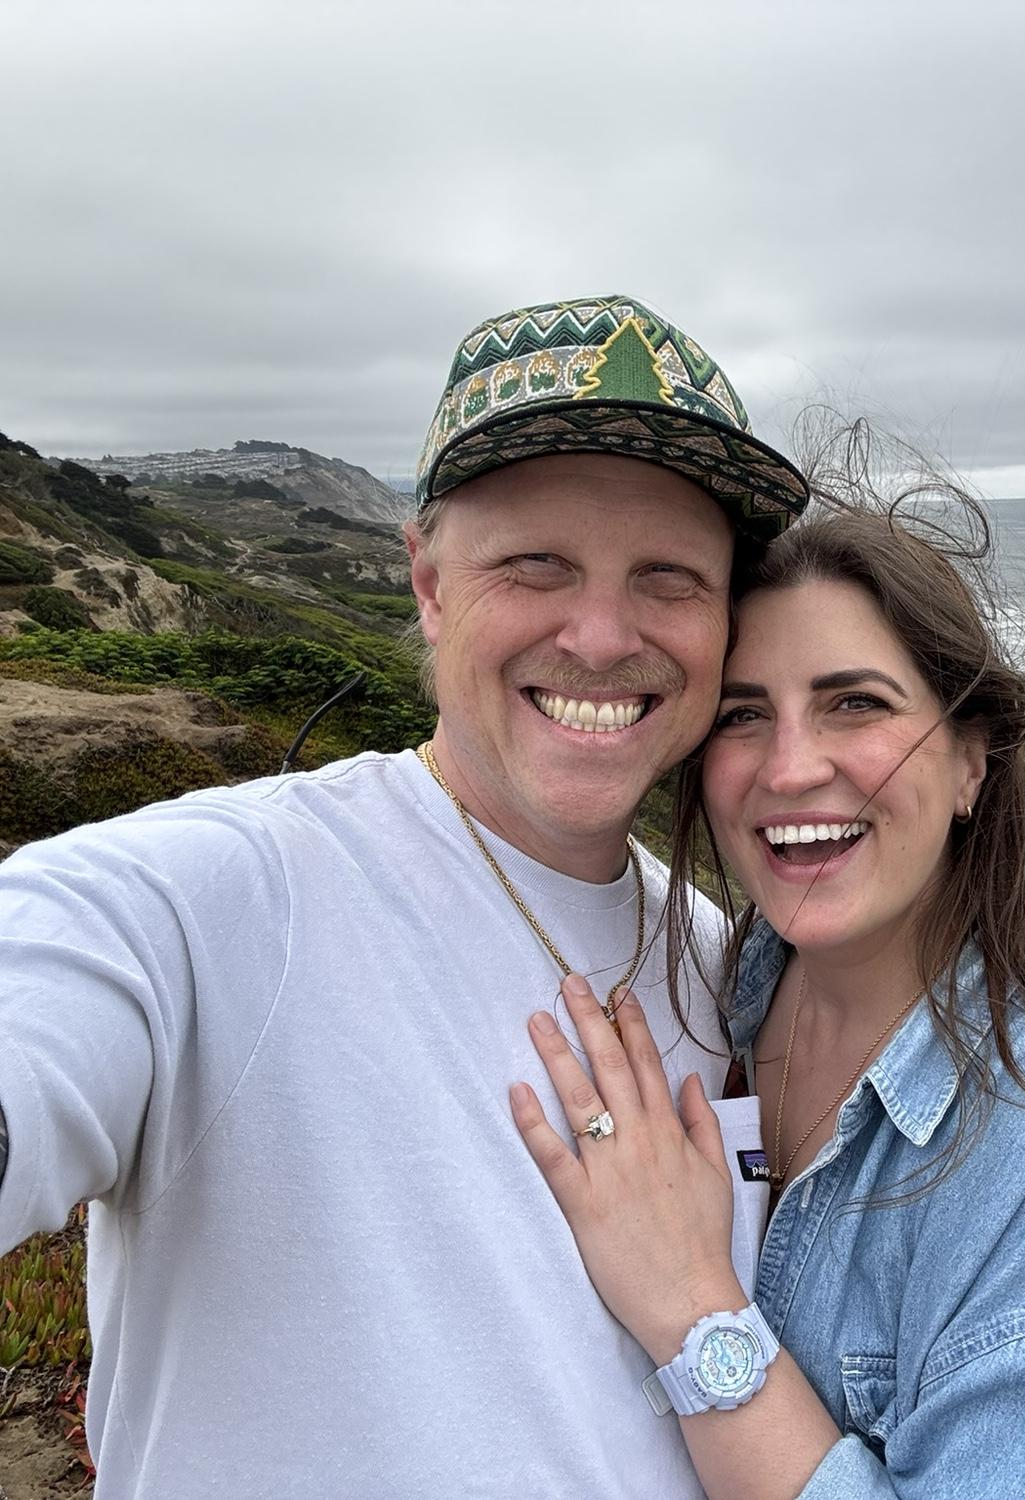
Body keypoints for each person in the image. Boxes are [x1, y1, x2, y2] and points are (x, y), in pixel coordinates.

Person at [0, 294, 807, 1498]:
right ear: (428, 584)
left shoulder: (731, 965)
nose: (601, 634)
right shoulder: (214, 892)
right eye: (537, 565)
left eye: (670, 578)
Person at [513, 446, 1025, 1499]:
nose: (791, 766)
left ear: (971, 760)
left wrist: (695, 1310)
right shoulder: (726, 988)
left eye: (855, 705)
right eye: (745, 714)